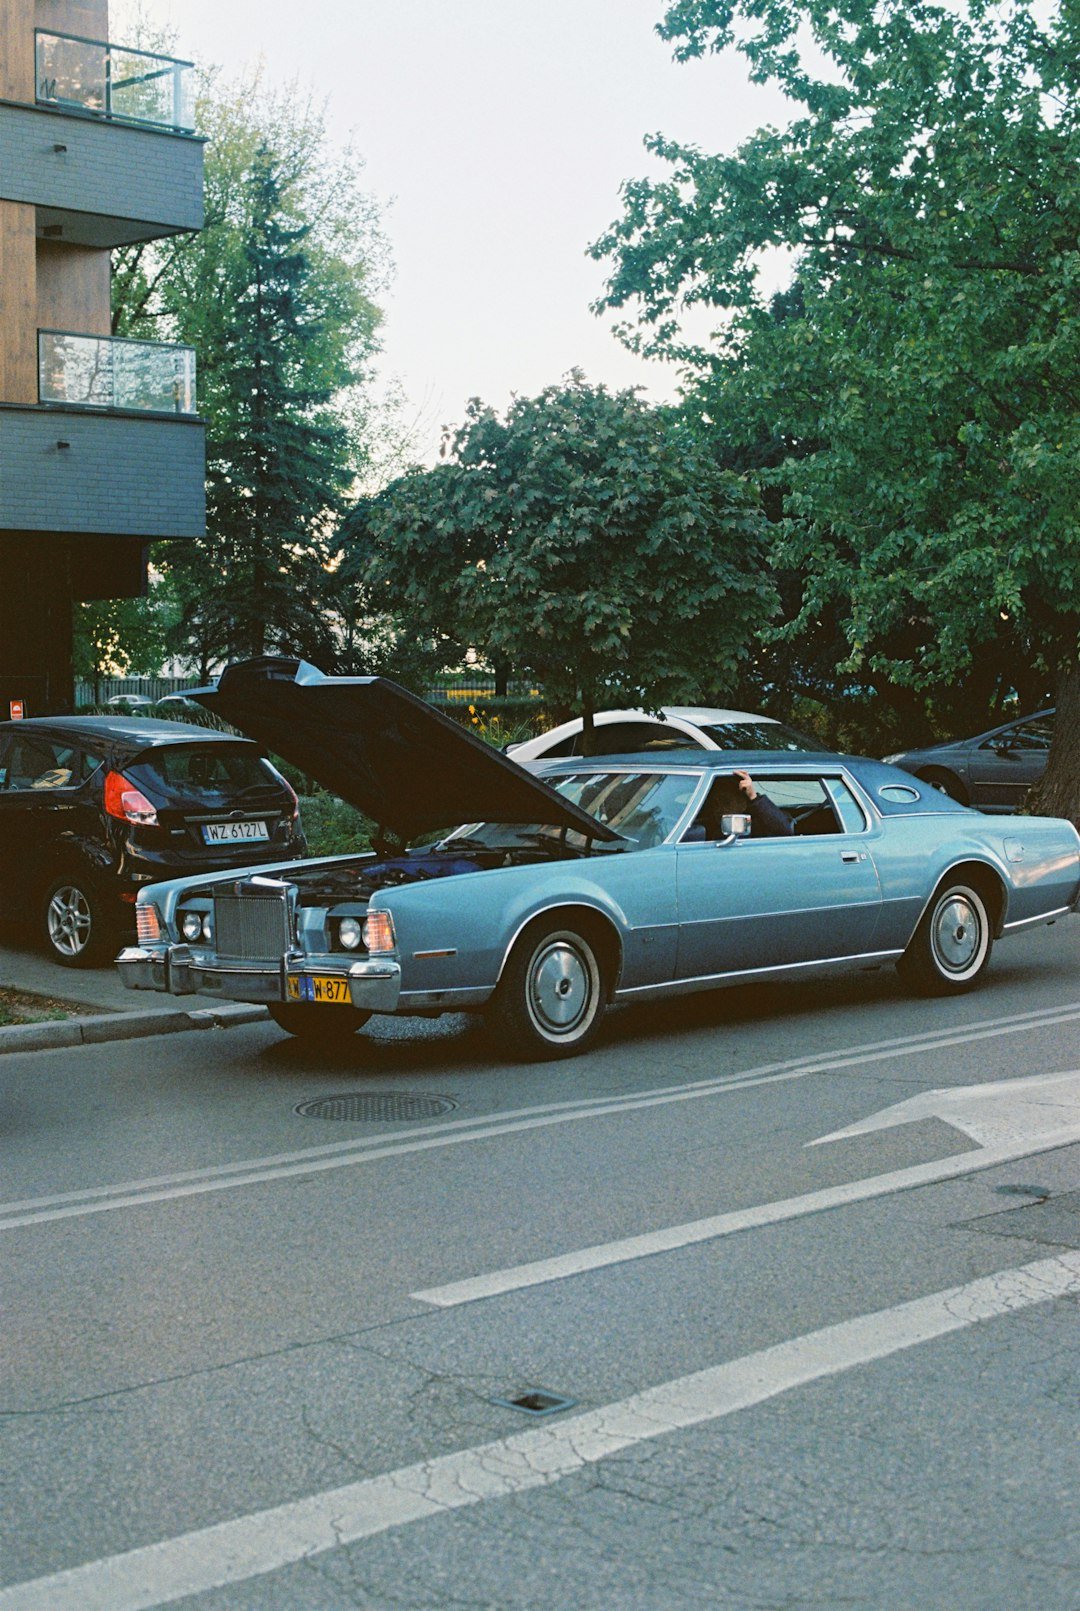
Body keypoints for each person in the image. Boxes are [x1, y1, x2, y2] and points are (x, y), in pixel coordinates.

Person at [690, 770, 793, 840]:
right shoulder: (706, 821)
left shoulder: (758, 823)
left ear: (743, 802)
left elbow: (784, 830)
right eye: (715, 802)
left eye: (727, 801)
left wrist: (753, 796)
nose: (719, 808)